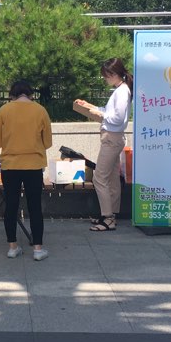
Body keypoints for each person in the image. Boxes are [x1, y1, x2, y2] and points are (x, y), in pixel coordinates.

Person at [0, 81, 53, 260]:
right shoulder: (40, 110)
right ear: (30, 94)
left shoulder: (4, 110)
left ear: (12, 95)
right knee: (35, 207)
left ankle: (12, 247)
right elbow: (47, 142)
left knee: (11, 206)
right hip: (33, 165)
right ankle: (38, 249)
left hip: (10, 166)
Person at [74, 57, 133, 232]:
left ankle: (107, 217)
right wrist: (90, 106)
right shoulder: (121, 90)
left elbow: (116, 117)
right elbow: (112, 113)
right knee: (112, 178)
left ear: (114, 74)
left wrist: (97, 114)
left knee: (99, 177)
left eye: (106, 76)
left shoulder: (121, 92)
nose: (105, 79)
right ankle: (111, 214)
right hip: (114, 137)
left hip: (111, 138)